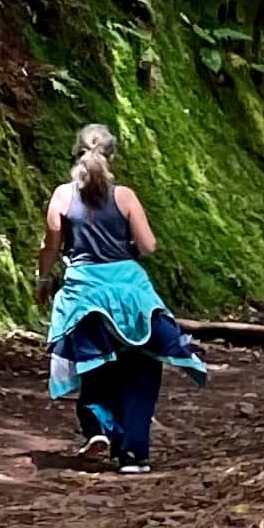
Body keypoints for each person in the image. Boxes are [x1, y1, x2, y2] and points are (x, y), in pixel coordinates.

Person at [38, 125, 205, 473]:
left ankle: (98, 429)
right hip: (131, 295)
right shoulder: (125, 197)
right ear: (112, 157)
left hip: (84, 294)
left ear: (76, 153)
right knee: (142, 366)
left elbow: (50, 247)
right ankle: (133, 453)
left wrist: (43, 279)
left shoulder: (62, 196)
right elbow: (148, 246)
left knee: (94, 365)